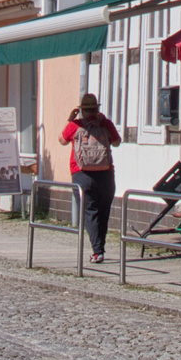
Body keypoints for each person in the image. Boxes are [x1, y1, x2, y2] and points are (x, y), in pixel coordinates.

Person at [60, 93, 121, 263]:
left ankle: (97, 251)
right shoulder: (106, 123)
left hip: (81, 174)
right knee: (103, 212)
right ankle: (100, 247)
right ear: (96, 108)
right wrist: (104, 124)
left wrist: (69, 120)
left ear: (82, 110)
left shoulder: (76, 124)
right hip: (105, 173)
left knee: (89, 212)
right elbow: (117, 142)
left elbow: (62, 140)